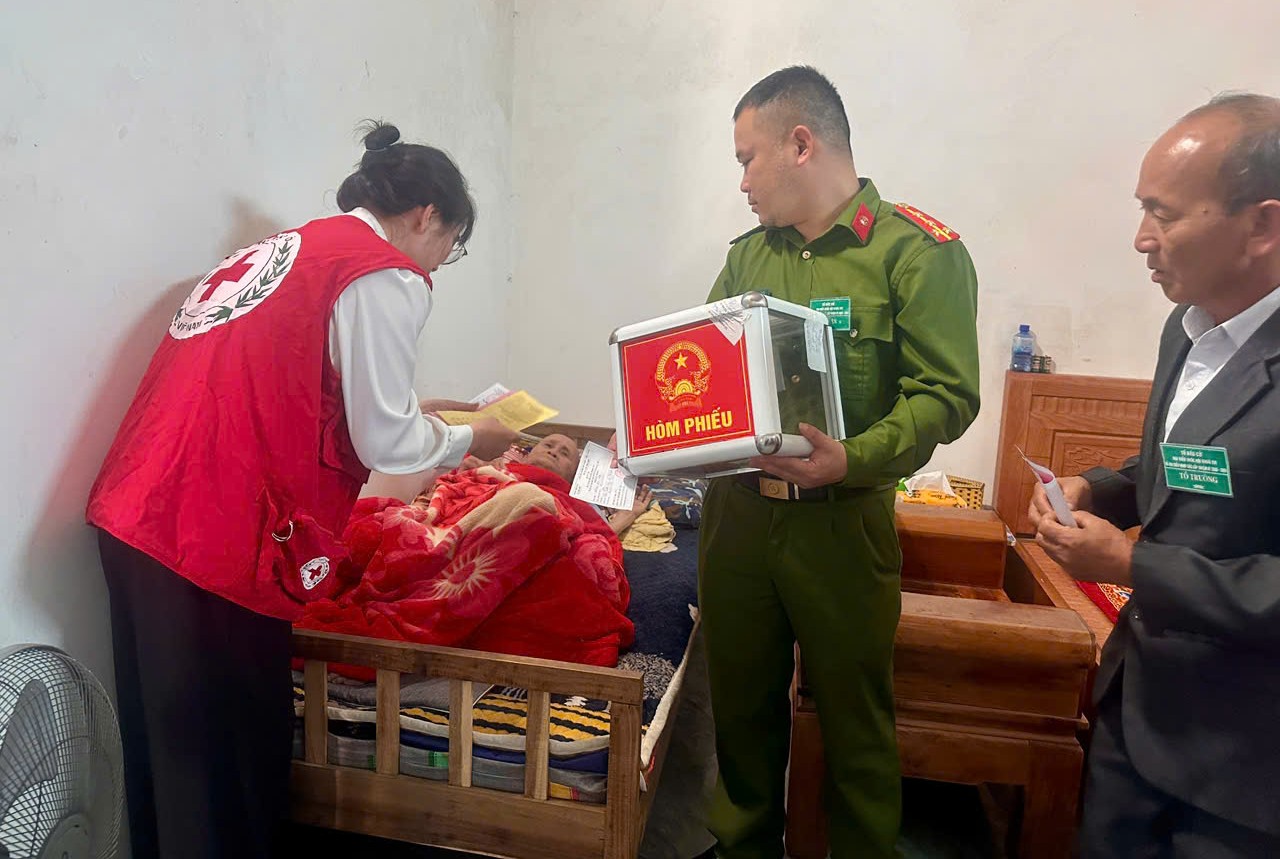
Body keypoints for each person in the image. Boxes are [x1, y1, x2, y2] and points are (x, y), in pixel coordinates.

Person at [85, 120, 518, 859]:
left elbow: (299, 386)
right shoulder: (383, 271)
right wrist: (472, 437)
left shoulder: (285, 249)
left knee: (168, 762)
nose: (439, 265)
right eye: (451, 245)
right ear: (427, 216)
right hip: (213, 535)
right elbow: (386, 443)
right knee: (231, 764)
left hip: (136, 507)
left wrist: (425, 415)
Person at [697, 67, 980, 858]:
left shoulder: (913, 252)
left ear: (801, 144)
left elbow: (946, 395)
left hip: (841, 525)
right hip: (738, 521)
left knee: (856, 732)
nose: (742, 182)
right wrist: (659, 443)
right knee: (740, 724)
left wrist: (852, 459)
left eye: (748, 159)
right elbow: (708, 372)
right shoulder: (748, 257)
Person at [1030, 93, 1280, 858]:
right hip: (1136, 715)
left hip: (1242, 764)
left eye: (1163, 215)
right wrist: (1099, 490)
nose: (1142, 239)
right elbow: (1188, 462)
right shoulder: (1189, 325)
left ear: (1262, 226)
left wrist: (1131, 563)